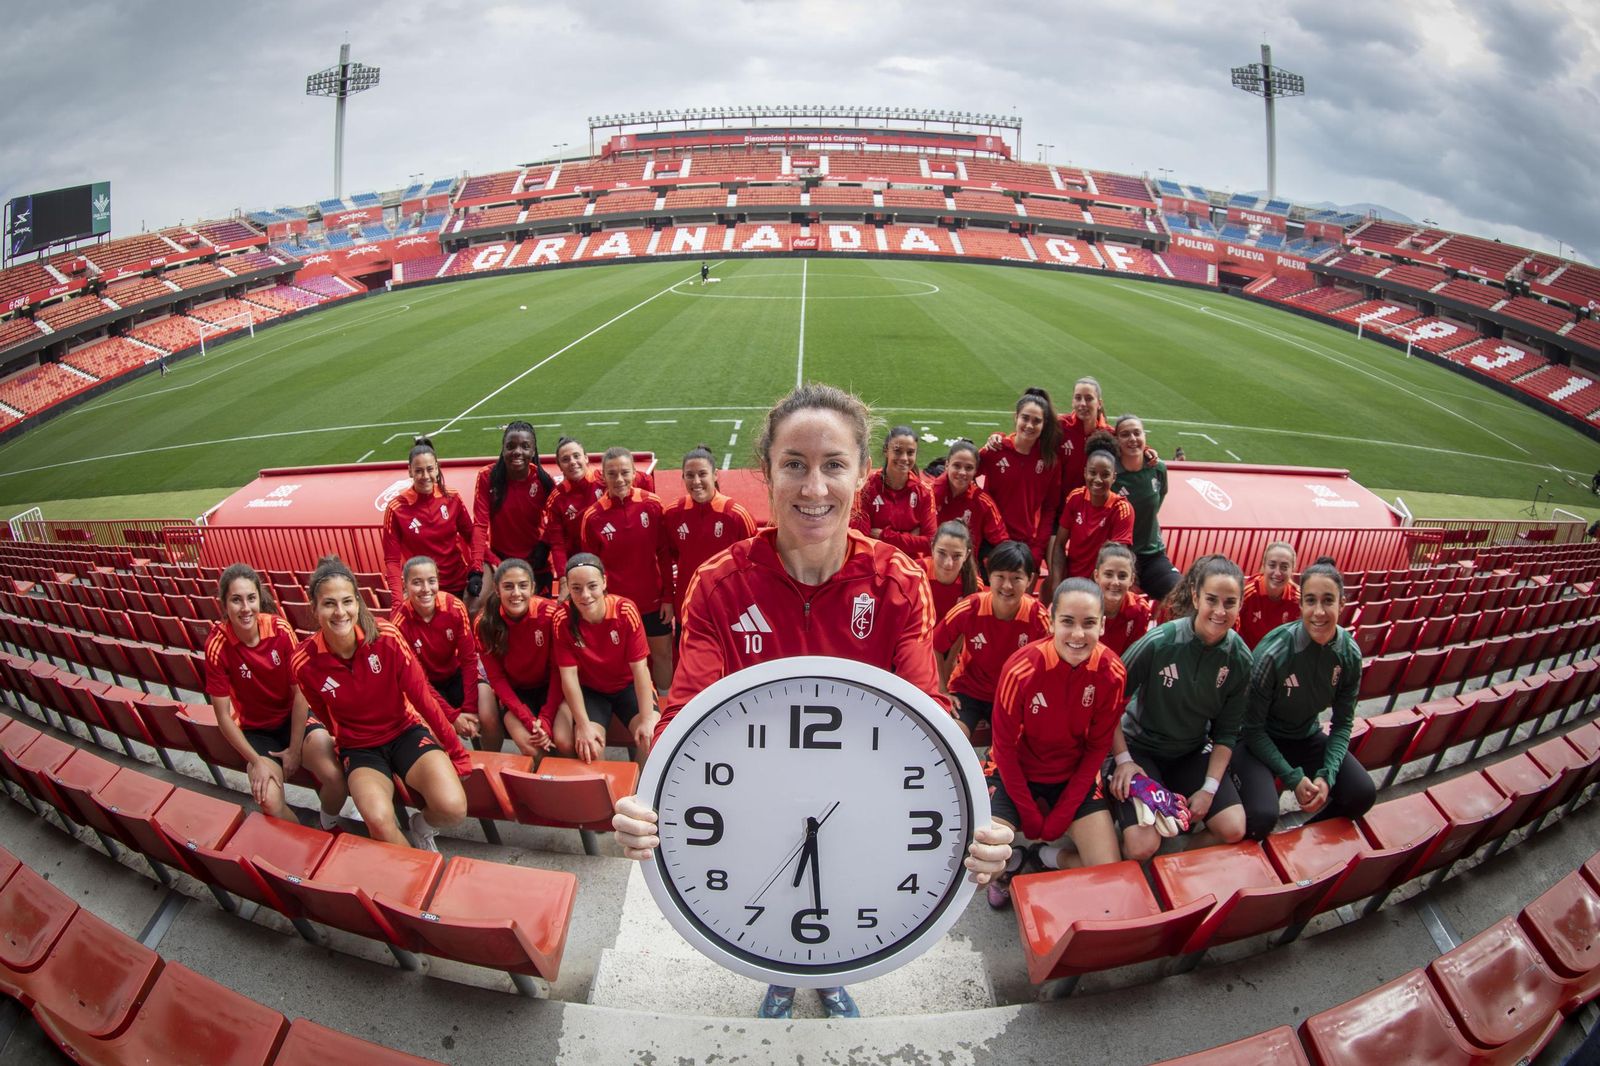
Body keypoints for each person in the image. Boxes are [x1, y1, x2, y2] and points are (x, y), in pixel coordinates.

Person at [612, 383, 1014, 1021]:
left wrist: (980, 804)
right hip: (758, 799)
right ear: (766, 473)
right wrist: (649, 798)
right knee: (773, 892)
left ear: (861, 475)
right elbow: (682, 714)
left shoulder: (898, 584)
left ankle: (832, 974)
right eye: (794, 465)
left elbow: (930, 714)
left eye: (834, 466)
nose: (815, 488)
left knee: (839, 893)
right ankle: (774, 972)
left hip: (857, 799)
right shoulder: (717, 585)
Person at [290, 556, 471, 850]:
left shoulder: (386, 636)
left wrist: (457, 752)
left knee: (453, 808)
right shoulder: (303, 662)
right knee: (378, 822)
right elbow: (321, 710)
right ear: (314, 609)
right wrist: (343, 739)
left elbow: (422, 698)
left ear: (358, 603)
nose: (340, 612)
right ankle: (418, 879)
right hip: (361, 749)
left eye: (347, 601)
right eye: (329, 604)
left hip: (405, 732)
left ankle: (419, 826)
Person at [984, 577, 1126, 908]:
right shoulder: (1021, 669)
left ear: (1103, 625)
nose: (1078, 634)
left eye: (1089, 623)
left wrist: (1062, 813)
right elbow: (1003, 749)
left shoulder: (1113, 672)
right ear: (1050, 620)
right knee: (984, 863)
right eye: (1068, 622)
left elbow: (1097, 748)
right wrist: (1028, 812)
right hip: (1014, 772)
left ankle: (1048, 858)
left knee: (1109, 872)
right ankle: (1010, 866)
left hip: (1071, 775)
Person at [1109, 554, 1252, 861]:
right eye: (1212, 599)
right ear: (1196, 596)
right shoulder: (1160, 642)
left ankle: (1173, 861)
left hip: (1190, 751)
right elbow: (1109, 705)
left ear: (1240, 605)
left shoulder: (1240, 658)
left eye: (1230, 602)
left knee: (1234, 828)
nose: (1219, 610)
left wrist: (1209, 789)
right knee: (1141, 846)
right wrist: (1122, 760)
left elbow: (1227, 732)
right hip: (1141, 749)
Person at [1233, 558, 1373, 840]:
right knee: (1262, 816)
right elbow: (1252, 728)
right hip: (1256, 741)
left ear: (1341, 605)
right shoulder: (1274, 652)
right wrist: (1293, 778)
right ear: (1301, 606)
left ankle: (1300, 841)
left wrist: (1326, 775)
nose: (1319, 611)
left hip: (1303, 736)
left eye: (1328, 601)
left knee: (1362, 794)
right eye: (1310, 601)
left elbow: (1343, 723)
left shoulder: (1349, 653)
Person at [203, 563, 346, 825]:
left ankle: (328, 823)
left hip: (294, 719)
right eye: (236, 600)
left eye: (251, 598)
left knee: (336, 778)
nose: (245, 608)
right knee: (268, 800)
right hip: (257, 733)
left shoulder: (280, 630)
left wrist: (294, 749)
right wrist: (255, 761)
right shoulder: (217, 645)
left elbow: (300, 693)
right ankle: (307, 844)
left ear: (259, 598)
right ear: (224, 604)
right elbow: (223, 717)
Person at [932, 540, 1050, 739]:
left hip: (1013, 696)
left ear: (1030, 580)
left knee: (1017, 744)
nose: (1007, 585)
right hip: (968, 691)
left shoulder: (1038, 617)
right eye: (1000, 576)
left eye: (1016, 578)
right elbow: (934, 645)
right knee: (953, 737)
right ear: (989, 575)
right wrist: (942, 690)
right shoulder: (970, 608)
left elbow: (1050, 664)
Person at [548, 553, 658, 765]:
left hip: (628, 686)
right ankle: (608, 795)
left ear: (604, 582)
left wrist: (645, 719)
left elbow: (640, 670)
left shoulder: (625, 611)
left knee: (651, 737)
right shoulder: (562, 619)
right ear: (568, 588)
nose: (585, 595)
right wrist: (582, 725)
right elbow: (568, 677)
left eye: (592, 586)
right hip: (592, 691)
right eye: (576, 588)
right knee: (590, 747)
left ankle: (640, 791)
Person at [579, 447, 674, 691]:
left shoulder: (652, 506)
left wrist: (667, 598)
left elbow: (664, 554)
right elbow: (591, 568)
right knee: (626, 660)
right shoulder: (593, 517)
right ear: (602, 476)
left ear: (634, 473)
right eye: (612, 474)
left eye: (624, 472)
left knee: (662, 654)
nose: (619, 479)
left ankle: (667, 712)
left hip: (653, 601)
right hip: (615, 605)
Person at [391, 555, 492, 749]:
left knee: (487, 713)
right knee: (439, 730)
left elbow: (469, 660)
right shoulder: (399, 623)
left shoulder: (455, 607)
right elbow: (418, 680)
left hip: (456, 674)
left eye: (431, 581)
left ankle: (487, 760)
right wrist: (453, 717)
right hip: (425, 684)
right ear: (405, 585)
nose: (426, 589)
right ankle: (453, 764)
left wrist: (469, 709)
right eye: (417, 583)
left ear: (438, 580)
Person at [661, 444, 758, 620]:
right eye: (690, 475)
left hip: (727, 603)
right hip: (686, 601)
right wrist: (668, 597)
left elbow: (755, 564)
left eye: (702, 474)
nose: (696, 481)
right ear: (683, 477)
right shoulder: (673, 513)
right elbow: (668, 557)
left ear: (715, 475)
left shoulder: (736, 515)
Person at [475, 557, 559, 758]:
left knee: (564, 742)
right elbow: (497, 680)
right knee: (532, 748)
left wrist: (546, 718)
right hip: (515, 694)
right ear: (497, 590)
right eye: (508, 586)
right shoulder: (484, 623)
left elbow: (559, 671)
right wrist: (529, 720)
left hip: (551, 689)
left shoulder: (551, 614)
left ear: (532, 588)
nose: (516, 593)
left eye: (522, 586)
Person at [980, 388, 1063, 571]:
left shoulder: (1050, 462)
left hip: (1024, 546)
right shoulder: (994, 451)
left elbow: (1049, 509)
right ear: (1016, 417)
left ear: (1044, 424)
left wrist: (1038, 549)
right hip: (990, 541)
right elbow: (966, 476)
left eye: (1037, 421)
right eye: (1025, 418)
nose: (1030, 425)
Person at [472, 421, 556, 603]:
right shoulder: (488, 477)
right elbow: (479, 525)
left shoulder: (543, 480)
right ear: (503, 449)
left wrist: (543, 546)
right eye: (510, 446)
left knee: (541, 613)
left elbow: (557, 521)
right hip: (498, 558)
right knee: (474, 606)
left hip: (535, 561)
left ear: (533, 451)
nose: (517, 452)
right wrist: (477, 568)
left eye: (525, 446)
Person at [382, 437, 473, 604]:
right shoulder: (396, 508)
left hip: (457, 584)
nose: (425, 476)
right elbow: (392, 561)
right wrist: (396, 602)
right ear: (410, 471)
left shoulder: (452, 497)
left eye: (430, 469)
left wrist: (480, 569)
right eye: (418, 471)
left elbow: (472, 536)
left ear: (437, 469)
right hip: (424, 592)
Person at [1111, 414, 1180, 601]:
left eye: (1137, 433)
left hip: (1151, 555)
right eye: (1125, 434)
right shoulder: (1109, 475)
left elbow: (1159, 498)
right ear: (1117, 440)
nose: (1132, 439)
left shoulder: (1157, 469)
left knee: (1183, 597)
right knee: (1120, 605)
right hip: (1117, 557)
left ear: (1144, 436)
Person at [1050, 431, 1134, 583]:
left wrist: (1086, 588)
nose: (1098, 480)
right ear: (1084, 473)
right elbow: (1059, 545)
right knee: (1047, 589)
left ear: (1114, 477)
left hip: (1099, 584)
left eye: (1105, 474)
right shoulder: (1075, 497)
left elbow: (1115, 560)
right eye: (1093, 473)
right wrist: (1057, 584)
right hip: (1070, 578)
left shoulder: (1122, 509)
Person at [856, 425, 935, 557]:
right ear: (886, 451)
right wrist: (911, 538)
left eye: (910, 453)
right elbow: (862, 538)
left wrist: (883, 535)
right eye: (898, 451)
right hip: (875, 563)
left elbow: (930, 543)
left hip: (911, 567)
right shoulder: (867, 487)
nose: (904, 458)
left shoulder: (924, 492)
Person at [543, 435, 606, 593]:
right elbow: (557, 544)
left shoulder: (605, 480)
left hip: (611, 562)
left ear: (586, 458)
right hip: (579, 568)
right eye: (565, 459)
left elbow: (642, 479)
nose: (572, 462)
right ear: (559, 466)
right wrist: (564, 580)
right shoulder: (556, 499)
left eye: (576, 456)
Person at [930, 439, 1007, 564]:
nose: (962, 472)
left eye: (969, 468)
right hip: (932, 565)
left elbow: (1002, 542)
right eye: (957, 466)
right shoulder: (930, 494)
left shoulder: (983, 502)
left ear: (976, 471)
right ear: (946, 465)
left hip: (966, 570)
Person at [1055, 376, 1112, 500]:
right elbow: (1025, 437)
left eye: (1089, 398)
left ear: (1099, 403)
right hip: (1058, 507)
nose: (1082, 403)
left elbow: (1130, 443)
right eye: (1078, 398)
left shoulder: (1109, 434)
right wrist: (1002, 438)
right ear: (1072, 401)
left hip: (1092, 511)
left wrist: (1146, 450)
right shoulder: (1059, 427)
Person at [1094, 543, 1154, 657]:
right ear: (1097, 576)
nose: (1115, 582)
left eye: (1122, 576)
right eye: (1108, 574)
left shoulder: (1140, 609)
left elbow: (1133, 655)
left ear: (1131, 579)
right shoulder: (1083, 606)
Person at [1238, 542, 1300, 649]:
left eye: (1284, 567)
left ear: (1292, 569)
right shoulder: (1247, 594)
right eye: (1272, 565)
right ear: (1263, 565)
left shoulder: (1298, 600)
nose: (1277, 573)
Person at [921, 519, 983, 624]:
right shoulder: (916, 571)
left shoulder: (975, 585)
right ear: (932, 548)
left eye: (957, 556)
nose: (948, 563)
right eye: (942, 553)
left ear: (966, 556)